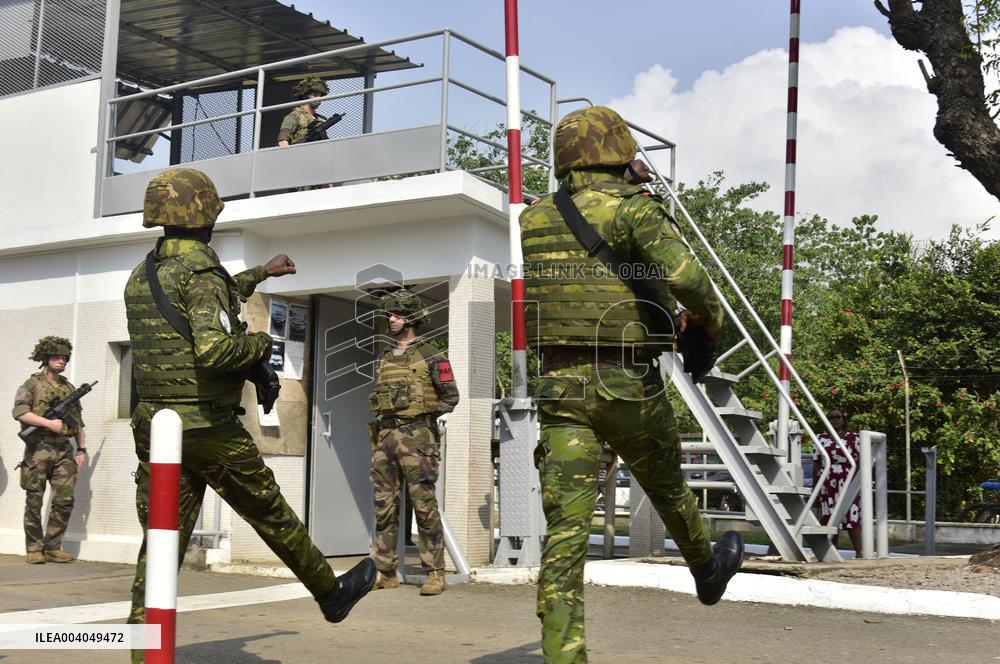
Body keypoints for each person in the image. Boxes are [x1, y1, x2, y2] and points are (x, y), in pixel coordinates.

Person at [520, 106, 744, 663]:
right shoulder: (634, 212)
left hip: (559, 386)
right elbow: (688, 278)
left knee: (566, 536)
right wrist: (705, 326)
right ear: (619, 152)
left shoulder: (533, 218)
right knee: (667, 484)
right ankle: (706, 568)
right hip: (628, 381)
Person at [123, 168, 374, 662]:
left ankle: (141, 652)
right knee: (271, 514)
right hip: (209, 428)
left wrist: (261, 272)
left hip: (158, 427)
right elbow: (214, 349)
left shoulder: (145, 273)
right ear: (206, 214)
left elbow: (197, 303)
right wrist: (261, 343)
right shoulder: (201, 275)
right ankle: (332, 594)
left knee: (159, 551)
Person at [368, 290, 459, 596]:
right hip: (385, 437)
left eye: (395, 316)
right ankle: (386, 572)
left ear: (411, 319)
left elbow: (451, 396)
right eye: (389, 316)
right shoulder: (384, 357)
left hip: (418, 437)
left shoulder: (433, 355)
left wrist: (429, 422)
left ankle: (434, 572)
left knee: (424, 506)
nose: (390, 320)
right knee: (383, 507)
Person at [12, 336, 87, 564]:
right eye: (56, 357)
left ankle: (53, 546)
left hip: (64, 449)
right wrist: (48, 423)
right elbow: (19, 412)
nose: (61, 361)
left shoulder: (68, 387)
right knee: (34, 500)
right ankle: (34, 548)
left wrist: (81, 448)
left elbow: (78, 421)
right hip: (38, 449)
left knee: (65, 499)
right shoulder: (32, 384)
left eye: (64, 358)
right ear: (45, 359)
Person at [812, 409, 863, 557]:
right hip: (827, 482)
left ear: (843, 420)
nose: (834, 420)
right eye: (831, 417)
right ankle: (832, 553)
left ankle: (859, 553)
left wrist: (858, 484)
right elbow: (816, 464)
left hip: (848, 480)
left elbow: (861, 462)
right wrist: (815, 489)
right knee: (829, 517)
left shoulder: (854, 438)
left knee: (851, 517)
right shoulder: (820, 438)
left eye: (837, 417)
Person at [276, 76, 331, 147]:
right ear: (307, 95)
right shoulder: (296, 115)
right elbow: (283, 140)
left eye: (320, 96)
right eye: (315, 95)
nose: (319, 99)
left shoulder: (319, 119)